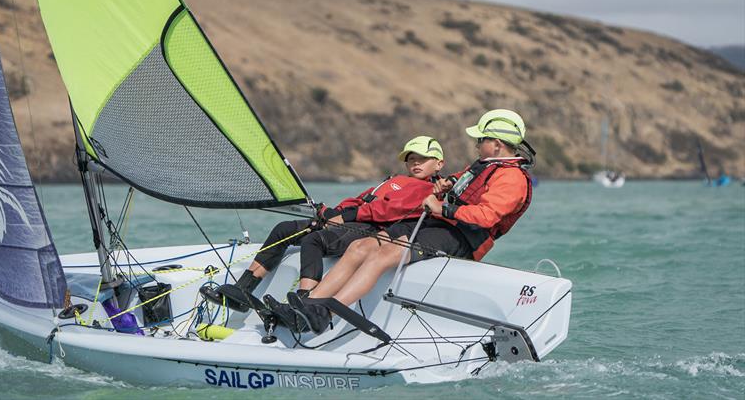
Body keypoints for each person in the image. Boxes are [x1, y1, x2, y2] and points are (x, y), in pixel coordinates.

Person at [289, 109, 534, 334]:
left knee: (381, 256)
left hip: (459, 238)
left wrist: (443, 208)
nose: (477, 145)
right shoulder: (486, 165)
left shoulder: (512, 178)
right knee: (360, 247)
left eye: (481, 140)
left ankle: (325, 313)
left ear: (497, 145)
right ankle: (309, 304)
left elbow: (486, 216)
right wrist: (447, 182)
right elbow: (463, 178)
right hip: (437, 224)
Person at [201, 136, 445, 318]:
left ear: (438, 164)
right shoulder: (394, 181)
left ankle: (305, 300)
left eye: (423, 159)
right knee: (284, 229)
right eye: (411, 158)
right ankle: (243, 289)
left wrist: (344, 216)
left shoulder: (428, 190)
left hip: (369, 230)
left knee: (314, 241)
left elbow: (386, 211)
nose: (415, 163)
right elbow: (361, 199)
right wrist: (332, 212)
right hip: (351, 220)